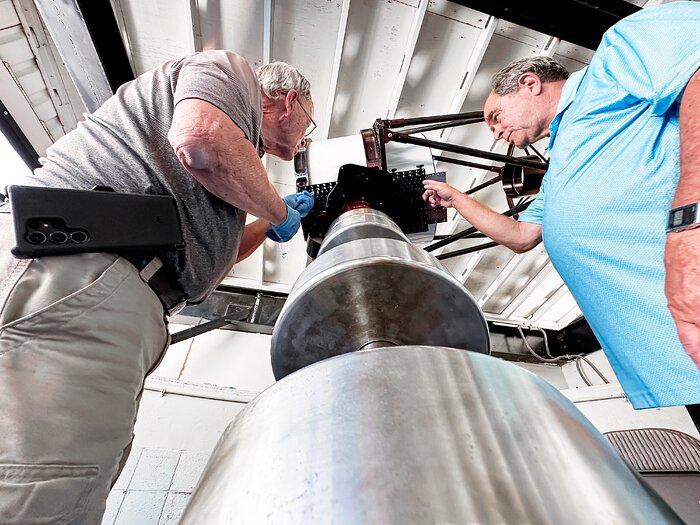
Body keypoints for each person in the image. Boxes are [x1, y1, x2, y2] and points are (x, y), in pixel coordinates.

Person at [0, 50, 315, 522]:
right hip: (86, 271)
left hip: (109, 287)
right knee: (42, 485)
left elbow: (216, 257)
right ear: (287, 102)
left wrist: (265, 227)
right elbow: (200, 140)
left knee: (75, 478)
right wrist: (277, 210)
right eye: (308, 126)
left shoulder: (238, 162)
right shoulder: (233, 72)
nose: (304, 140)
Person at [423, 2, 700, 412]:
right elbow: (520, 237)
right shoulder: (562, 164)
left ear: (530, 84)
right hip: (674, 355)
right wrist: (457, 199)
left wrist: (689, 225)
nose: (498, 134)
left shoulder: (615, 57)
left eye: (496, 117)